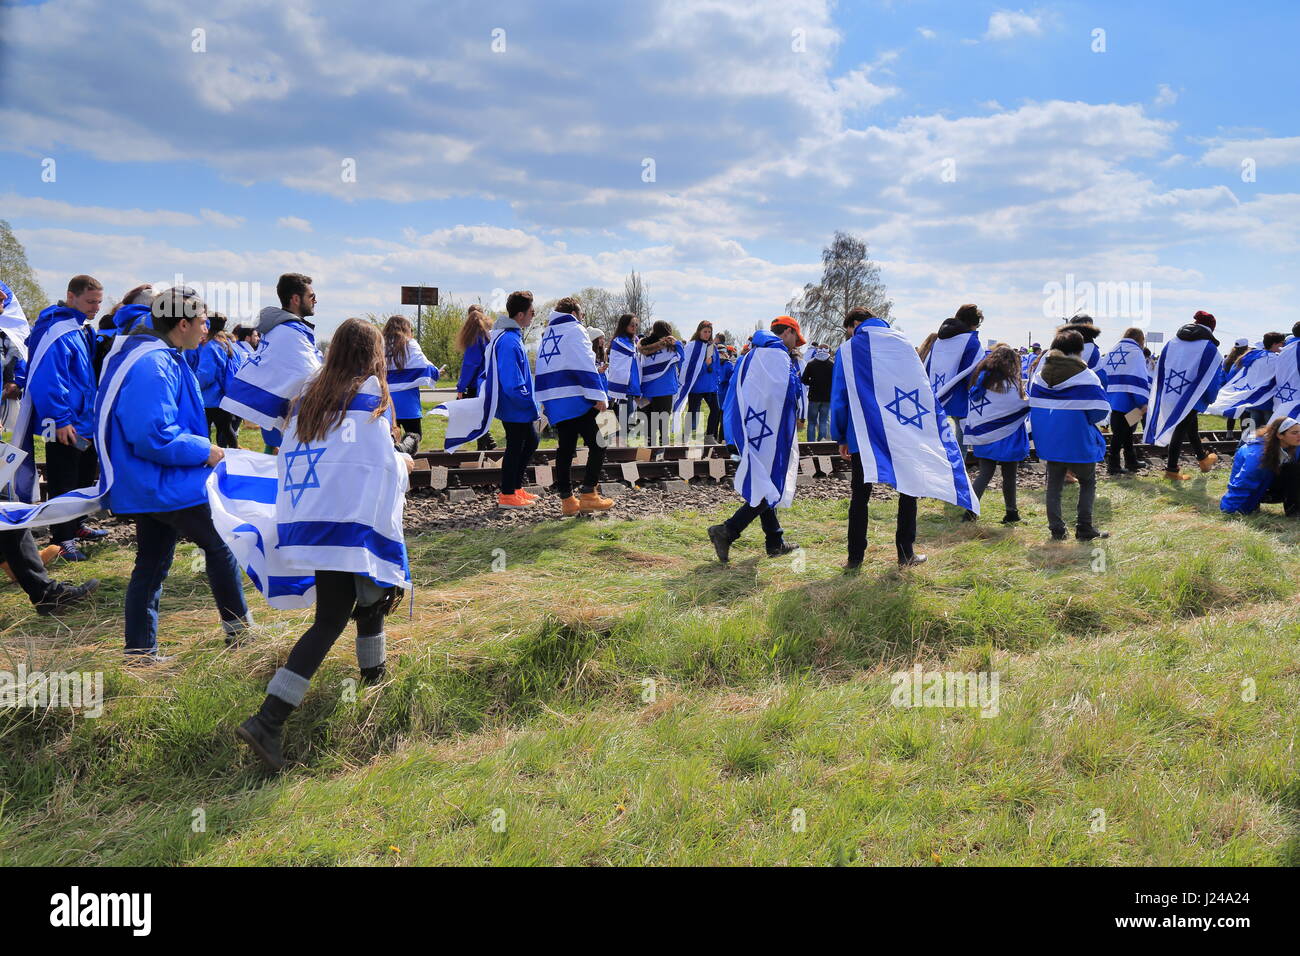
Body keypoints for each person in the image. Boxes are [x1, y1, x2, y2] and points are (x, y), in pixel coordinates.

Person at [234, 318, 413, 770]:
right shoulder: (370, 395)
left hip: (312, 519)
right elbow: (377, 469)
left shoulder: (307, 397)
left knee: (370, 600)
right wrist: (404, 462)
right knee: (332, 618)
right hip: (344, 523)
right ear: (372, 354)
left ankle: (375, 685)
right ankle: (268, 720)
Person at [102, 288, 253, 661]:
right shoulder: (154, 364)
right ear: (182, 324)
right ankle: (242, 638)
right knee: (220, 546)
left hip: (149, 481)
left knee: (151, 563)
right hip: (162, 481)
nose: (208, 328)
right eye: (203, 321)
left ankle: (139, 651)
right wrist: (207, 452)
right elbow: (152, 435)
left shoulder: (150, 353)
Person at [831, 309, 976, 568]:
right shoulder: (903, 344)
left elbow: (840, 396)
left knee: (860, 496)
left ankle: (855, 558)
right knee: (909, 489)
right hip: (903, 430)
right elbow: (919, 386)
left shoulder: (848, 350)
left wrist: (840, 434)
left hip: (863, 432)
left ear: (855, 324)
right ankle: (905, 552)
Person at [707, 316, 803, 562]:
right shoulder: (776, 356)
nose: (796, 346)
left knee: (763, 483)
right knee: (767, 483)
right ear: (788, 332)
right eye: (796, 339)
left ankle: (774, 541)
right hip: (763, 434)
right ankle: (727, 530)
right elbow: (786, 393)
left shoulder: (751, 354)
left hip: (746, 429)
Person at [23, 275, 106, 560]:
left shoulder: (78, 327)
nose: (96, 308)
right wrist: (59, 420)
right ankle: (62, 538)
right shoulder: (57, 330)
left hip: (84, 419)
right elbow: (50, 380)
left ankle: (76, 525)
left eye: (98, 302)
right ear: (71, 297)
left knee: (83, 476)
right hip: (64, 423)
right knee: (63, 480)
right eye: (90, 301)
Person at [221, 272, 322, 455]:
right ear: (296, 299)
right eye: (312, 296)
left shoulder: (279, 327)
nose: (316, 300)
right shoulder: (289, 331)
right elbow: (310, 372)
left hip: (277, 402)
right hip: (289, 412)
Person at [1028, 329, 1111, 541]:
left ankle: (1057, 530)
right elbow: (1100, 411)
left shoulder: (1039, 376)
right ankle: (1084, 528)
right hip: (1077, 440)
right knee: (1087, 482)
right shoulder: (1086, 376)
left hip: (1050, 441)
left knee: (1053, 486)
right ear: (1079, 350)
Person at [534, 297, 613, 516]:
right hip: (576, 397)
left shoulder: (549, 333)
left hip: (556, 400)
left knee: (566, 449)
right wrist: (599, 395)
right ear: (574, 312)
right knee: (599, 443)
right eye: (582, 313)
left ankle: (568, 501)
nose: (583, 318)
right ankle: (589, 494)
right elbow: (584, 362)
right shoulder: (574, 329)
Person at [1145, 310, 1226, 480]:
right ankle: (1172, 470)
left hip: (1170, 392)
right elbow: (1212, 379)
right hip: (1191, 397)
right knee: (1180, 431)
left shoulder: (1172, 342)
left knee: (1191, 429)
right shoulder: (1210, 349)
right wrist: (1211, 398)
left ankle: (1203, 460)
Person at [962, 345, 1029, 523]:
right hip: (1007, 435)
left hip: (983, 436)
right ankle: (1011, 513)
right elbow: (1020, 405)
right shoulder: (1010, 384)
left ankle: (969, 514)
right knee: (1009, 476)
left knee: (984, 473)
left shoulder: (980, 382)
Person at [925, 304, 983, 453]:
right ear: (974, 323)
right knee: (961, 435)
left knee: (937, 433)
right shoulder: (970, 341)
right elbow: (972, 371)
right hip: (959, 395)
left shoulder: (939, 339)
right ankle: (959, 470)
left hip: (936, 390)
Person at [1220, 417, 1300, 516]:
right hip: (1257, 490)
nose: (1299, 435)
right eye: (1294, 433)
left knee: (1295, 467)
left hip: (1270, 484)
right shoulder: (1258, 455)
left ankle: (1294, 512)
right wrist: (1227, 509)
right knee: (1293, 469)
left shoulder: (1293, 444)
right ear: (1279, 435)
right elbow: (1243, 482)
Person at [382, 314, 441, 443]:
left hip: (386, 401)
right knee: (414, 436)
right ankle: (407, 456)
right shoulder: (410, 344)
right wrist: (436, 372)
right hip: (408, 402)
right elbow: (424, 366)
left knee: (387, 439)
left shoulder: (380, 345)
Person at [1102, 327, 1150, 475]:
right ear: (1140, 339)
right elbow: (1139, 377)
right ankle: (1113, 464)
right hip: (1129, 399)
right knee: (1121, 432)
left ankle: (1131, 461)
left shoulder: (1112, 350)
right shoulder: (1136, 353)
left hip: (1112, 397)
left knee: (1127, 431)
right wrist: (1143, 401)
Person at [195, 313, 243, 448]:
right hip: (226, 395)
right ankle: (234, 458)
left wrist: (192, 383)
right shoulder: (229, 345)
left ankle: (208, 459)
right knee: (227, 430)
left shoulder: (210, 347)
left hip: (209, 398)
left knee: (205, 432)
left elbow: (206, 375)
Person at [453, 305, 497, 451]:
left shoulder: (474, 336)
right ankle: (486, 447)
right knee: (478, 418)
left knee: (474, 419)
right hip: (489, 381)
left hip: (475, 385)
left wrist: (461, 387)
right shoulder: (490, 334)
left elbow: (470, 364)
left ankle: (486, 447)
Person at [638, 321, 684, 448]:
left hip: (646, 390)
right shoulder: (670, 346)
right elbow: (682, 359)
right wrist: (678, 343)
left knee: (648, 424)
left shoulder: (645, 346)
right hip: (664, 389)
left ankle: (649, 454)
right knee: (663, 425)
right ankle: (662, 454)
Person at [677, 320, 720, 442]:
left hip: (711, 387)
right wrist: (704, 366)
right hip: (696, 386)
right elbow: (689, 368)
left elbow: (716, 366)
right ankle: (685, 437)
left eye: (709, 332)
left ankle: (709, 436)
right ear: (699, 332)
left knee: (716, 410)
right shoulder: (692, 346)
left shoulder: (712, 347)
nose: (707, 334)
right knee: (692, 412)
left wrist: (715, 379)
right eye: (705, 331)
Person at [605, 313, 642, 445]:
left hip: (631, 386)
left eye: (636, 325)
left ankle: (620, 448)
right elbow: (633, 351)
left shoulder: (635, 340)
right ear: (624, 325)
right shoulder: (619, 341)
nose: (634, 327)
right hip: (622, 386)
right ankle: (617, 449)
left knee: (628, 421)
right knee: (622, 421)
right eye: (631, 325)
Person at [801, 343, 834, 441]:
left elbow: (804, 379)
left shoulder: (811, 363)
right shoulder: (832, 364)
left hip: (814, 397)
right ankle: (822, 442)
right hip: (827, 398)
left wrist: (813, 382)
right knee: (824, 421)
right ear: (829, 351)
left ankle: (811, 443)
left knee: (811, 422)